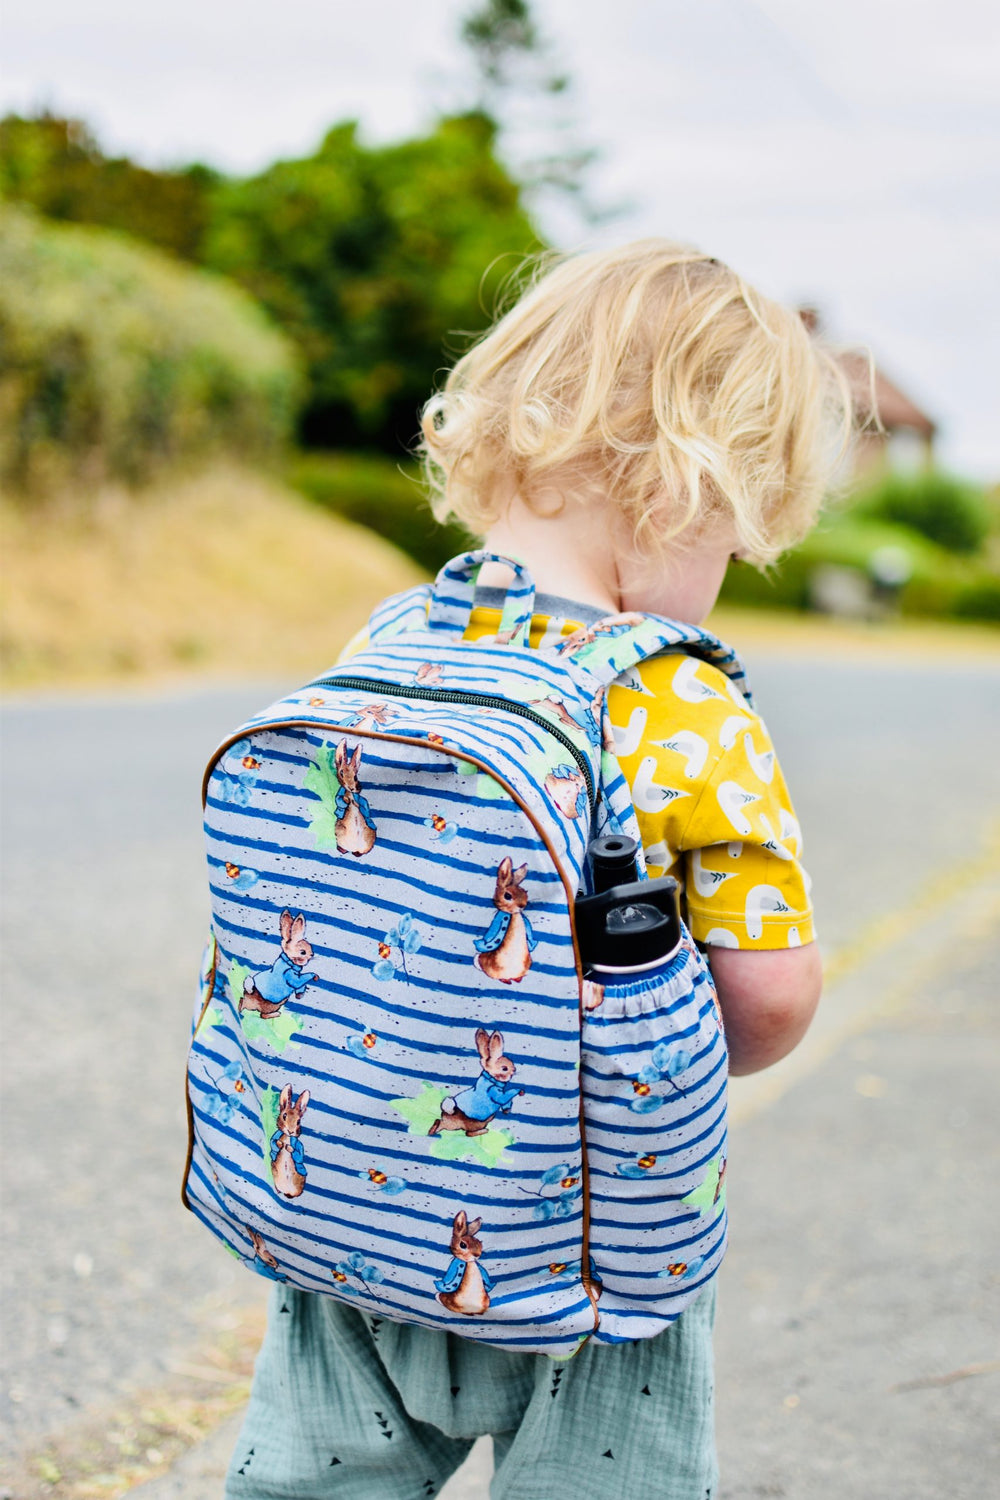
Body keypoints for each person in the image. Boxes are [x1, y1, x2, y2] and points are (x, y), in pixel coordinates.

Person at [226, 240, 853, 1499]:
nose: (719, 583)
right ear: (686, 489)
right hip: (597, 1250)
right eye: (734, 539)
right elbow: (770, 999)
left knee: (313, 1480)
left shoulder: (389, 642)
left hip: (345, 1204)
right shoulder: (674, 698)